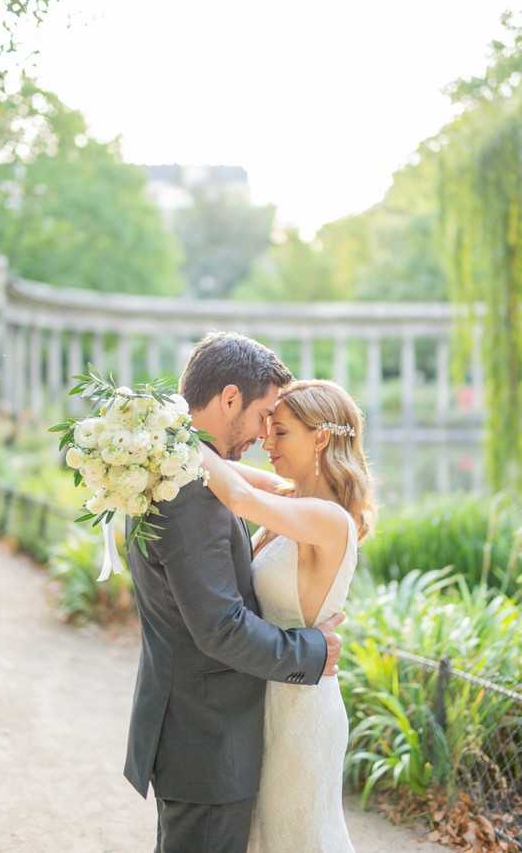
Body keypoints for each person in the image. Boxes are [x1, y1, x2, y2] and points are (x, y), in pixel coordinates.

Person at [123, 333, 345, 853]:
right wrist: (312, 651)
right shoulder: (190, 495)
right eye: (265, 413)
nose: (265, 433)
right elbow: (220, 627)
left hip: (195, 729)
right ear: (228, 399)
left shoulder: (172, 465)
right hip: (207, 739)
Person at [200, 378, 377, 853]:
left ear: (320, 437)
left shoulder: (328, 518)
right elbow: (239, 479)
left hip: (302, 708)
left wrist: (174, 444)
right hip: (271, 690)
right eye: (267, 430)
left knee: (296, 838)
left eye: (281, 432)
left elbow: (239, 498)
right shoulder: (295, 499)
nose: (266, 442)